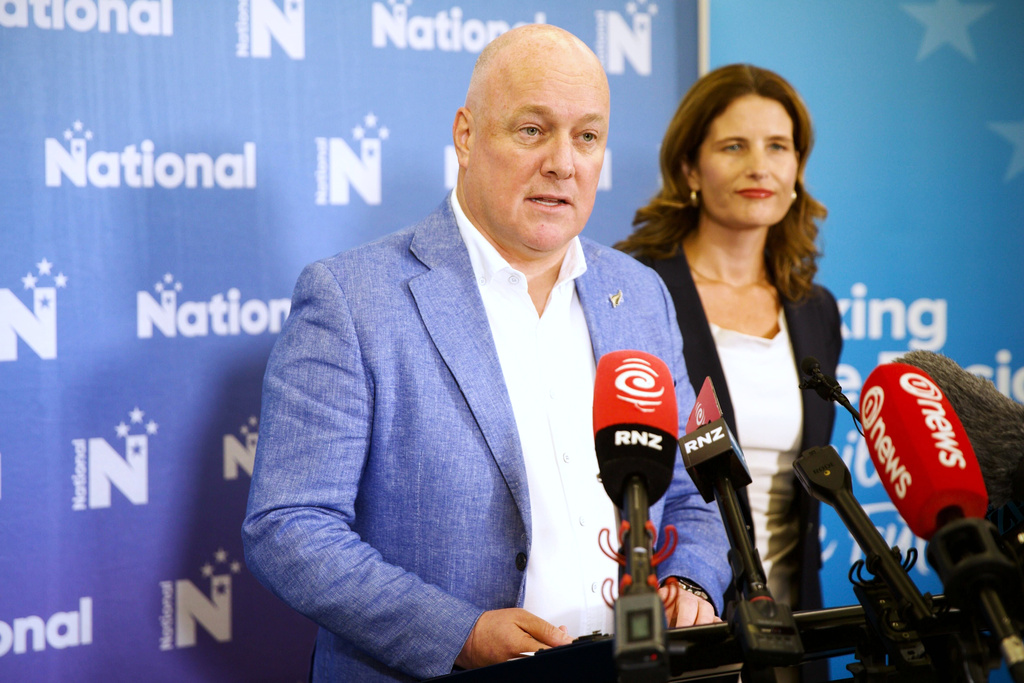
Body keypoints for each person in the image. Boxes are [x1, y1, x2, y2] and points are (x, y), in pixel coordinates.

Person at [242, 25, 730, 683]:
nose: (564, 162)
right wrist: (458, 634)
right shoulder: (352, 298)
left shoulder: (640, 294)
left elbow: (700, 483)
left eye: (586, 137)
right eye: (533, 130)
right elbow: (289, 526)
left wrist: (693, 583)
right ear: (467, 135)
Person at [616, 64, 842, 682]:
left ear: (798, 167)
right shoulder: (631, 290)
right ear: (690, 168)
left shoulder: (813, 307)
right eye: (733, 146)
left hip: (795, 622)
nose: (759, 166)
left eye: (778, 147)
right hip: (683, 618)